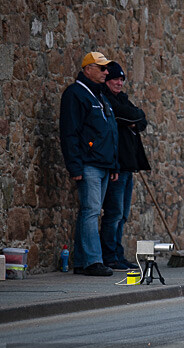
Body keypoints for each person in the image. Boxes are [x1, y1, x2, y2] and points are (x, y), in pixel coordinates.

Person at [59, 52, 119, 276]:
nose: (106, 72)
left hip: (103, 164)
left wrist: (114, 165)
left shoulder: (100, 96)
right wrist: (74, 166)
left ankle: (83, 261)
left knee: (91, 211)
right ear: (87, 69)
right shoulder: (76, 94)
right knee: (91, 211)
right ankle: (93, 260)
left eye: (106, 69)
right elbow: (70, 132)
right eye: (101, 68)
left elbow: (110, 132)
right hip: (89, 164)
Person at [100, 61, 151, 270]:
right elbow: (124, 115)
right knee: (113, 213)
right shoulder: (105, 99)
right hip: (117, 166)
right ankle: (109, 255)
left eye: (122, 79)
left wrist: (132, 119)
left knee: (122, 214)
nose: (119, 82)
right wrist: (130, 118)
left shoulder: (122, 99)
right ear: (107, 80)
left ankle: (117, 254)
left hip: (128, 166)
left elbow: (140, 119)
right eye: (115, 79)